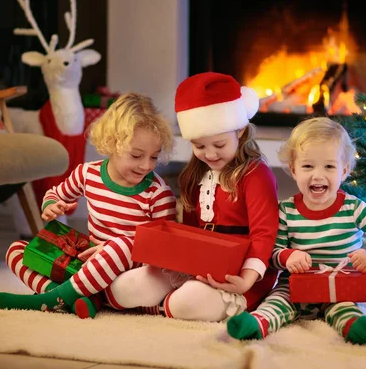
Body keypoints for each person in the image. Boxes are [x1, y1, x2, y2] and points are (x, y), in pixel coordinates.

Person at [104, 72, 280, 322]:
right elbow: (191, 231)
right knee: (128, 286)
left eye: (219, 145)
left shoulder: (255, 174)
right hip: (200, 266)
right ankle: (160, 303)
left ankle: (161, 307)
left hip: (240, 274)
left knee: (186, 303)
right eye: (199, 146)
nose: (210, 154)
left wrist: (246, 280)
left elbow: (264, 233)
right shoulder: (195, 175)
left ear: (240, 131)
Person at [0, 92, 177, 319]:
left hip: (128, 274)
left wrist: (116, 249)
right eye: (136, 155)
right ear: (112, 143)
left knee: (121, 246)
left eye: (154, 157)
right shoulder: (88, 173)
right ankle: (79, 298)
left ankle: (52, 299)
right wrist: (51, 205)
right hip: (86, 267)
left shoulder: (158, 193)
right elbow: (56, 194)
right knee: (17, 250)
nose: (146, 165)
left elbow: (165, 248)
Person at [226, 117, 366, 345]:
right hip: (296, 285)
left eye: (329, 166)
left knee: (344, 308)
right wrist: (288, 257)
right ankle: (257, 323)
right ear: (293, 170)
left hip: (340, 285)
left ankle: (356, 327)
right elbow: (272, 254)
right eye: (308, 166)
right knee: (276, 301)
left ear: (345, 171)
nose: (317, 175)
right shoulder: (286, 210)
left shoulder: (354, 208)